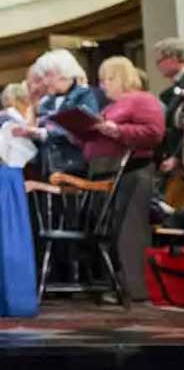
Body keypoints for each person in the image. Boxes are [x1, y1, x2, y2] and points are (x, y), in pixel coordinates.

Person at [79, 56, 164, 300]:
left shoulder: (142, 99)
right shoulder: (107, 108)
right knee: (112, 231)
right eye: (102, 80)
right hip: (105, 172)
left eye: (109, 79)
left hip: (132, 171)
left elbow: (154, 133)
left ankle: (137, 290)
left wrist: (117, 130)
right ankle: (116, 285)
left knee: (131, 231)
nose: (103, 85)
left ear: (124, 77)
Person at [13, 49, 98, 176]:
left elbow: (84, 131)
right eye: (44, 76)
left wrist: (42, 133)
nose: (45, 82)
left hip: (75, 168)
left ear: (64, 72)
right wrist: (27, 132)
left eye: (49, 75)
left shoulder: (84, 95)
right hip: (48, 169)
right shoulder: (46, 102)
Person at [155, 38, 184, 175]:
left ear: (175, 57)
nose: (157, 65)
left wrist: (177, 157)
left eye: (160, 60)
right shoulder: (168, 94)